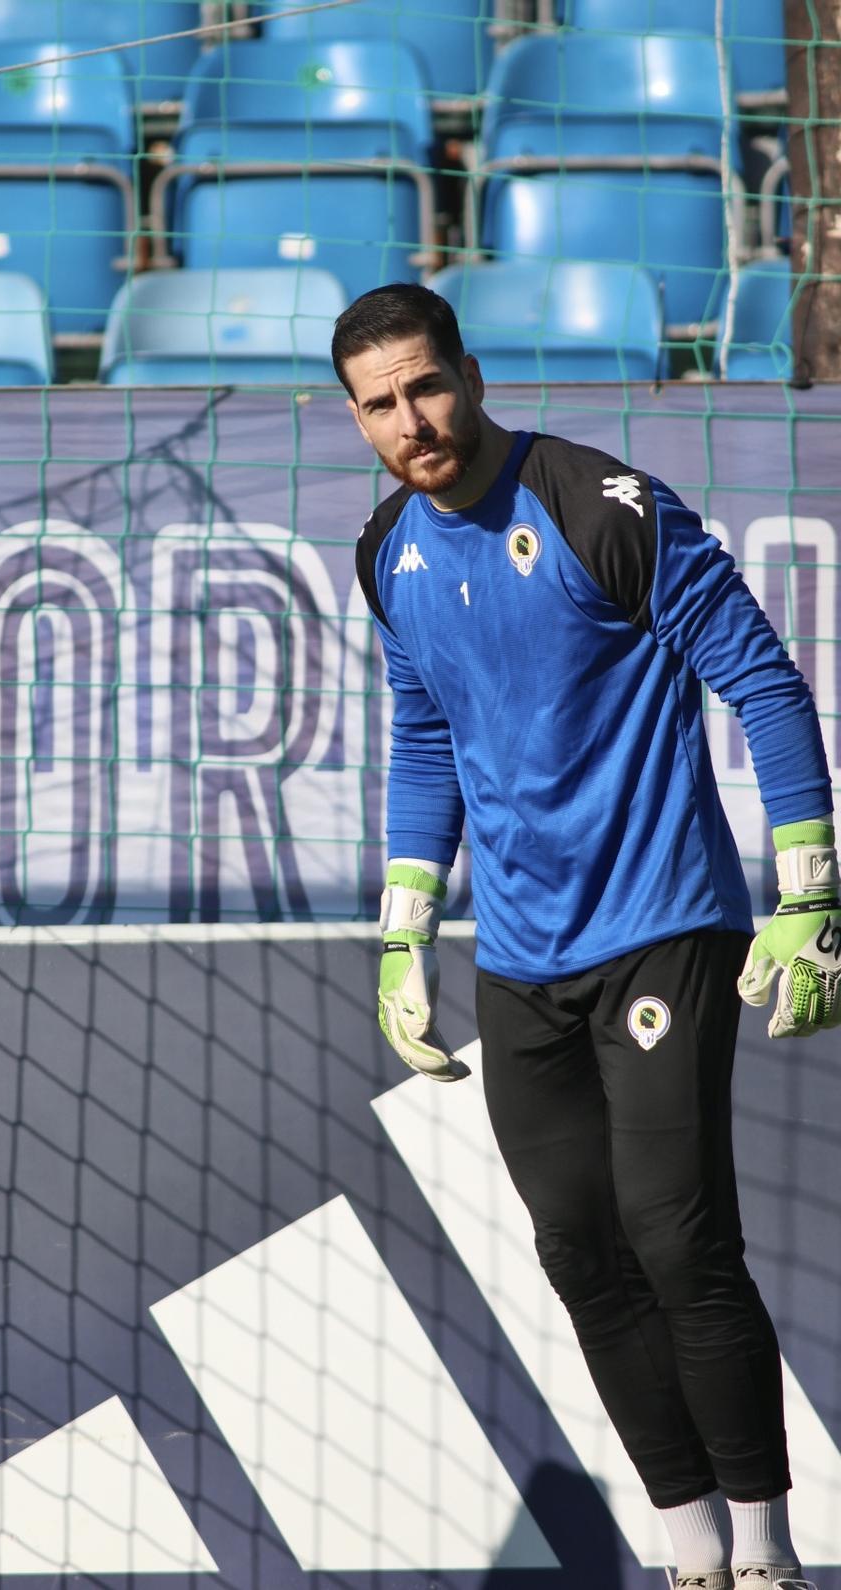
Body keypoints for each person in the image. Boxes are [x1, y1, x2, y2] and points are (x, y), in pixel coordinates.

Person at [334, 281, 841, 1590]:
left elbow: (768, 688)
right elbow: (427, 733)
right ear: (357, 419)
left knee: (679, 1237)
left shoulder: (598, 507)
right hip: (520, 960)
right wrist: (404, 932)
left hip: (665, 925)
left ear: (470, 371)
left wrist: (809, 897)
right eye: (381, 405)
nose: (413, 420)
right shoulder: (386, 549)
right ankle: (691, 1551)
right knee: (578, 1251)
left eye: (426, 386)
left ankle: (773, 1553)